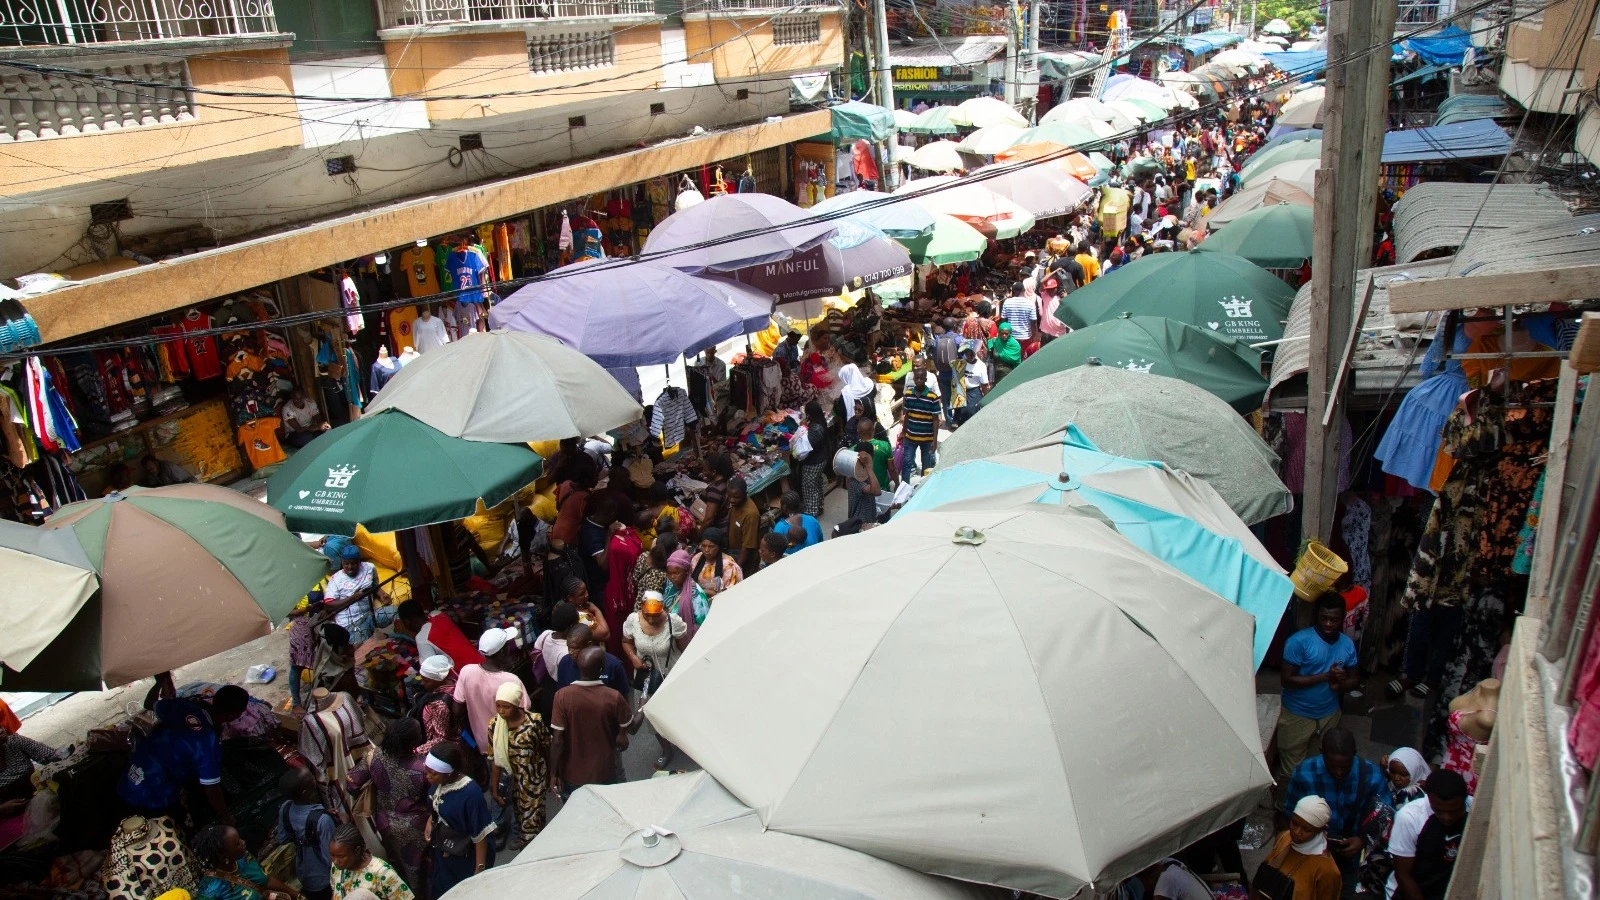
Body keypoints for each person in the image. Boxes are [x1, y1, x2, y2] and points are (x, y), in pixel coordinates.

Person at [1280, 728, 1390, 895]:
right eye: (1333, 766)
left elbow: (1387, 815)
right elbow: (1289, 812)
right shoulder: (1304, 773)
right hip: (1311, 853)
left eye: (1344, 767)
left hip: (1351, 858)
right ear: (1321, 752)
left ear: (1354, 754)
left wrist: (1362, 840)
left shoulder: (1372, 776)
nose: (1339, 772)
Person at [119, 690, 248, 824]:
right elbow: (212, 788)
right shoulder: (207, 743)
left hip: (129, 779)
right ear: (230, 715)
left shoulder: (185, 705)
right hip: (153, 797)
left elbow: (149, 703)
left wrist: (159, 683)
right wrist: (225, 816)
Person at [1276, 592, 1362, 782]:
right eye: (1324, 618)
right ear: (1317, 615)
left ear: (1342, 619)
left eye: (1334, 620)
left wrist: (1339, 683)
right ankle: (1285, 806)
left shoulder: (1347, 645)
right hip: (1297, 714)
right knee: (1291, 771)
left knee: (1319, 766)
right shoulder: (1299, 642)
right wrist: (1326, 676)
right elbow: (1287, 679)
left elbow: (1355, 680)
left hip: (1328, 715)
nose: (1329, 624)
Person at [345, 719, 428, 893]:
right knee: (419, 868)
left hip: (385, 823)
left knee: (396, 861)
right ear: (413, 741)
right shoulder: (423, 767)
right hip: (416, 827)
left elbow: (352, 784)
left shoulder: (373, 755)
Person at [550, 647, 645, 795]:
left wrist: (553, 774)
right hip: (604, 772)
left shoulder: (561, 696)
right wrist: (642, 707)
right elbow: (632, 727)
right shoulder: (613, 697)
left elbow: (557, 741)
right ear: (601, 669)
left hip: (572, 775)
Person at [621, 595, 689, 769]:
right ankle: (667, 750)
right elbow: (626, 642)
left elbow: (684, 649)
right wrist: (633, 658)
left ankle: (685, 742)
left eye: (656, 615)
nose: (651, 619)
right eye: (647, 615)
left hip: (670, 675)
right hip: (646, 679)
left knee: (676, 713)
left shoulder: (673, 622)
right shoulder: (632, 621)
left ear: (663, 610)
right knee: (651, 716)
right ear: (641, 609)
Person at [423, 743, 495, 897]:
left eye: (433, 773)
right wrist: (430, 821)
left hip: (466, 857)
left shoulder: (471, 794)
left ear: (448, 773)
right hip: (445, 852)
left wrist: (479, 870)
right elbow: (436, 806)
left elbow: (481, 834)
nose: (428, 776)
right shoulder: (438, 784)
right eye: (427, 771)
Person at [1387, 770, 1471, 900]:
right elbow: (1403, 875)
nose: (1447, 817)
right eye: (1438, 810)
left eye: (1453, 811)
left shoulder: (1474, 810)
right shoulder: (1410, 817)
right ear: (1429, 798)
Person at [485, 681, 551, 844]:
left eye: (505, 707)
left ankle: (530, 851)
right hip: (511, 783)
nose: (501, 711)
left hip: (533, 781)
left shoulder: (534, 721)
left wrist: (552, 773)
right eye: (498, 706)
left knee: (530, 827)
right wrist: (494, 789)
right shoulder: (495, 725)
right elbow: (495, 758)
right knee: (524, 821)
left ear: (516, 704)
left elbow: (546, 747)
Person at [453, 628, 530, 754]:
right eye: (507, 645)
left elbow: (457, 710)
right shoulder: (511, 680)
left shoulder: (467, 672)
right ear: (502, 652)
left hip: (483, 743)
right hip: (509, 745)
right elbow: (525, 714)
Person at [1261, 795, 1343, 900]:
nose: (1296, 832)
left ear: (1319, 830)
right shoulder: (1285, 837)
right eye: (1295, 823)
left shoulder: (1327, 871)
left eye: (1306, 830)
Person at [192, 822, 298, 900]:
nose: (243, 842)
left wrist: (298, 896)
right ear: (225, 858)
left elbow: (266, 880)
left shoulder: (243, 858)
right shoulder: (209, 891)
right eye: (237, 844)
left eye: (240, 839)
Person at [277, 768, 337, 900]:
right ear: (306, 792)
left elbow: (282, 838)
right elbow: (332, 859)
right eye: (312, 780)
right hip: (325, 879)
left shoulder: (285, 808)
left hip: (304, 873)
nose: (315, 780)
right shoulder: (323, 820)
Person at [0, 728, 69, 835]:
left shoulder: (15, 742)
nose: (0, 731)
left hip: (38, 802)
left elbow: (51, 756)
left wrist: (71, 752)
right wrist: (3, 808)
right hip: (6, 817)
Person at [394, 600, 482, 674]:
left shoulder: (422, 638)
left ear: (407, 621)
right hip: (481, 662)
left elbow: (429, 671)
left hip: (468, 675)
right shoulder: (439, 614)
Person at [328, 824, 412, 900]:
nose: (335, 861)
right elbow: (335, 893)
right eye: (332, 855)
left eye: (341, 856)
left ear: (357, 850)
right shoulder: (337, 867)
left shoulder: (383, 873)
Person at [323, 545, 381, 647]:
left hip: (371, 613)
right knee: (365, 649)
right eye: (346, 564)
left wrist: (382, 594)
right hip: (351, 623)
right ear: (342, 562)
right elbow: (328, 605)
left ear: (359, 561)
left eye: (353, 563)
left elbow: (375, 586)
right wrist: (353, 598)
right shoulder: (336, 579)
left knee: (397, 613)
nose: (350, 567)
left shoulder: (369, 568)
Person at [555, 622, 632, 698]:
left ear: (588, 645)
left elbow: (623, 701)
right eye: (569, 647)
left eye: (575, 648)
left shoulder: (614, 665)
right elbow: (561, 696)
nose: (570, 652)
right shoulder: (565, 663)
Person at [411, 656, 462, 757]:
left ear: (439, 680)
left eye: (426, 681)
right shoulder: (454, 682)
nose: (422, 683)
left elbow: (440, 739)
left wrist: (416, 752)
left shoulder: (440, 705)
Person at [900, 365, 941, 480]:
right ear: (913, 379)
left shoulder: (932, 397)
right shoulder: (908, 395)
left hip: (926, 440)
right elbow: (907, 415)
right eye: (917, 378)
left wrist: (934, 440)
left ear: (925, 379)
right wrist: (903, 432)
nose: (918, 381)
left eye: (921, 378)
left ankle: (922, 491)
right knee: (907, 464)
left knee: (926, 467)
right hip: (910, 437)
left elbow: (935, 420)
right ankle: (904, 488)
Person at [797, 400, 831, 518]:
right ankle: (818, 507)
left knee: (809, 487)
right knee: (817, 485)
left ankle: (811, 513)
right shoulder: (819, 422)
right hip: (821, 458)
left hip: (814, 461)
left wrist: (802, 428)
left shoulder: (816, 428)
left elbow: (807, 445)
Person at [690, 528, 743, 600]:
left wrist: (706, 592)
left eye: (711, 546)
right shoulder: (697, 558)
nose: (707, 550)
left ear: (719, 547)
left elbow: (729, 595)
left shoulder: (729, 566)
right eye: (704, 546)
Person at [665, 548, 709, 635]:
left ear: (686, 572)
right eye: (669, 573)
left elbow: (703, 624)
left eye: (677, 573)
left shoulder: (696, 594)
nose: (672, 577)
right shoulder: (670, 586)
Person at [722, 476, 761, 573]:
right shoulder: (735, 504)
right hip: (732, 551)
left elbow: (747, 547)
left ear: (745, 494)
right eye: (729, 496)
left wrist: (736, 569)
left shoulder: (750, 514)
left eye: (736, 497)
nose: (731, 500)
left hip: (744, 558)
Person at [632, 533, 676, 611]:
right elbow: (652, 605)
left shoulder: (644, 556)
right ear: (672, 551)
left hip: (638, 608)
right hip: (646, 615)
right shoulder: (660, 575)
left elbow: (635, 579)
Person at [845, 439, 883, 527]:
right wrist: (868, 466)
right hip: (861, 524)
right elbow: (877, 492)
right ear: (872, 457)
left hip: (864, 521)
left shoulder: (860, 474)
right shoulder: (855, 480)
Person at [931, 318, 961, 427]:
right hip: (957, 370)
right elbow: (965, 354)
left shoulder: (937, 340)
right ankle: (956, 421)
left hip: (943, 372)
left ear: (943, 327)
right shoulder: (959, 339)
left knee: (946, 398)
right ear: (955, 326)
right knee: (958, 396)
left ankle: (948, 421)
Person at [695, 453, 735, 532]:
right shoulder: (725, 482)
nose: (703, 473)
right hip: (728, 524)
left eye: (705, 470)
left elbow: (708, 519)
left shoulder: (715, 490)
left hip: (719, 529)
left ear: (713, 472)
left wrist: (699, 535)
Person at [999, 282, 1038, 358]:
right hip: (1026, 337)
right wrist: (1033, 337)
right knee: (1024, 358)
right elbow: (1033, 323)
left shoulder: (1007, 302)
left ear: (1012, 291)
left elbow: (1003, 321)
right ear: (1024, 290)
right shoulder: (1030, 303)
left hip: (1011, 337)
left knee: (1012, 357)